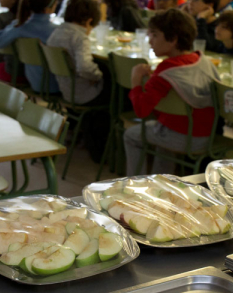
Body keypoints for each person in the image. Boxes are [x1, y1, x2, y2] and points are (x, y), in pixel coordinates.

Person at [123, 8, 220, 176]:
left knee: (131, 135)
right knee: (162, 133)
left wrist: (135, 82)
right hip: (208, 135)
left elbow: (141, 111)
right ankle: (162, 182)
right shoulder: (200, 59)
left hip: (187, 138)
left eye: (154, 35)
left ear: (173, 39)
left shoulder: (166, 71)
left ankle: (135, 183)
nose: (149, 41)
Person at [46, 0, 106, 105]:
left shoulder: (55, 33)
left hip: (64, 90)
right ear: (88, 22)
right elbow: (84, 67)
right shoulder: (80, 38)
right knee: (109, 76)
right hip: (84, 94)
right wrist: (98, 76)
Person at [0, 0, 60, 93]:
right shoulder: (57, 31)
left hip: (33, 81)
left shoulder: (19, 26)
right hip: (56, 85)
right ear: (51, 7)